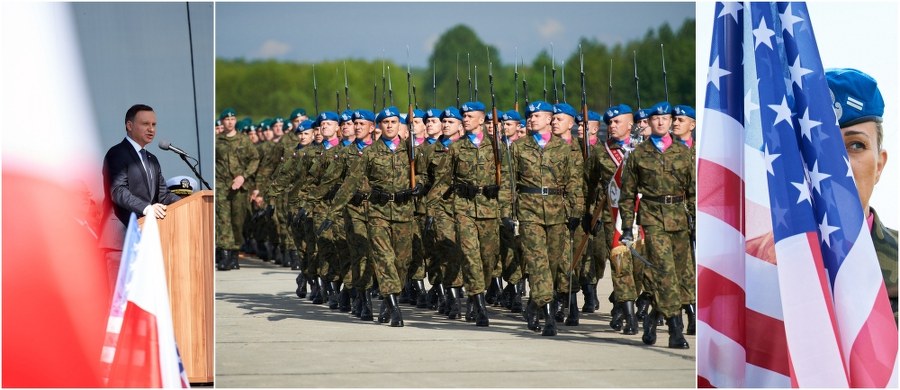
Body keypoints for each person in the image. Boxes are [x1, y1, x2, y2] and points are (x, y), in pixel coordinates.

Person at [618, 101, 694, 349]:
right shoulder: (638, 155)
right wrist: (627, 227)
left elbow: (693, 192)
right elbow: (627, 194)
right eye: (655, 118)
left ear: (672, 121)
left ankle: (652, 318)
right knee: (665, 271)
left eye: (665, 118)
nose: (660, 122)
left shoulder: (684, 153)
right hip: (652, 219)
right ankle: (675, 329)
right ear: (648, 123)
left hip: (679, 218)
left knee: (680, 275)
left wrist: (697, 221)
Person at [826, 68, 897, 320]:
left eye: (856, 145)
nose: (840, 164)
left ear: (879, 165)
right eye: (822, 145)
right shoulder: (760, 266)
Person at [428, 101, 505, 327]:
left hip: (490, 208)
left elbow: (508, 179)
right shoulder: (456, 148)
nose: (467, 119)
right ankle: (479, 303)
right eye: (465, 116)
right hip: (464, 208)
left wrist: (505, 204)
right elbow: (442, 181)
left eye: (471, 116)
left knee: (488, 258)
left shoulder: (497, 147)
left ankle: (475, 294)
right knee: (470, 256)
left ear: (482, 120)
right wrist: (429, 209)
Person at [513, 100, 584, 336]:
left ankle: (534, 304)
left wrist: (576, 210)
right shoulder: (519, 147)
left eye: (537, 116)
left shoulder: (563, 148)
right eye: (529, 116)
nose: (532, 119)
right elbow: (509, 182)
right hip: (529, 211)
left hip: (556, 211)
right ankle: (549, 316)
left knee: (552, 264)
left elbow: (574, 182)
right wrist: (506, 211)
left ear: (548, 119)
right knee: (537, 262)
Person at [99, 104, 181, 294]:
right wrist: (147, 208)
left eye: (154, 124)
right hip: (119, 242)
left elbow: (163, 195)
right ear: (129, 125)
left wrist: (191, 204)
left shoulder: (151, 159)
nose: (151, 129)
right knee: (120, 303)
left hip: (143, 240)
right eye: (145, 124)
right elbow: (117, 190)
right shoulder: (117, 153)